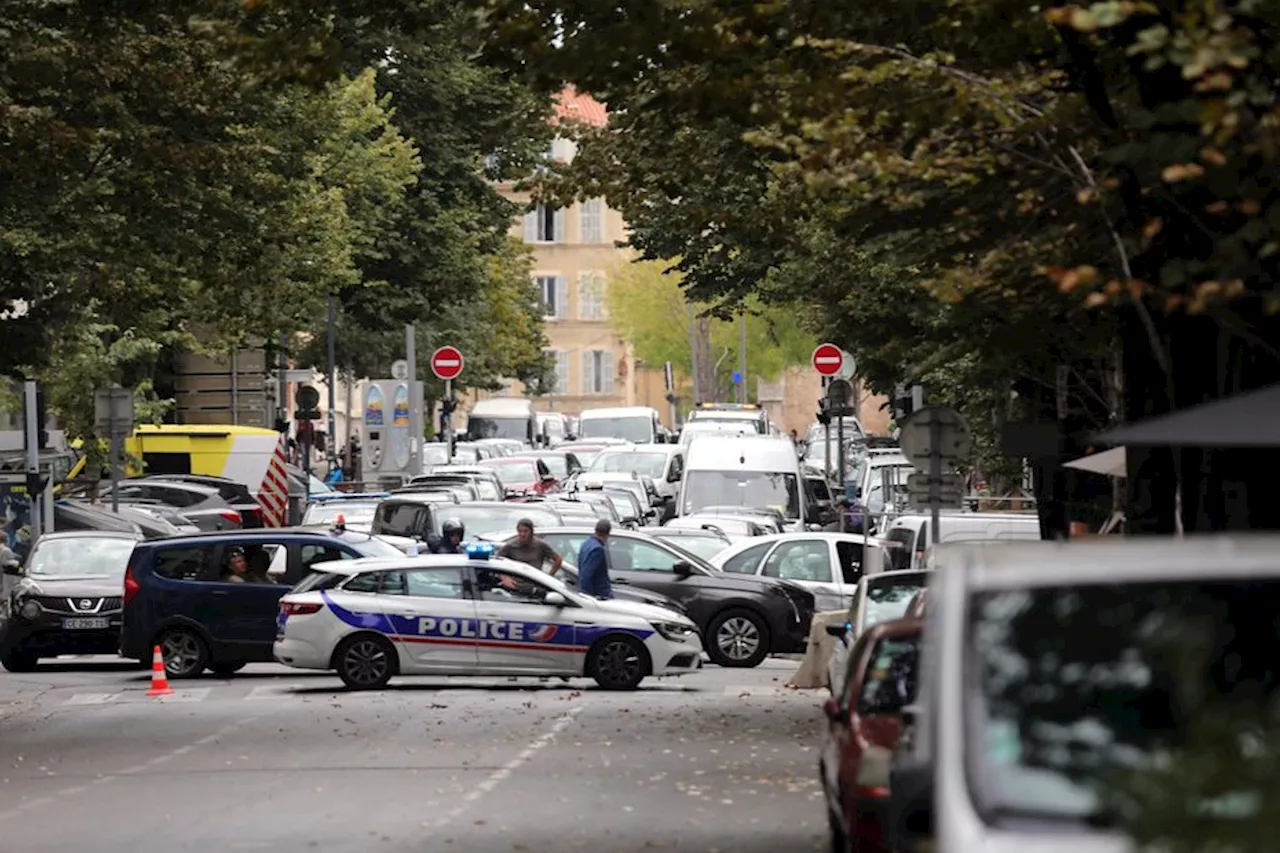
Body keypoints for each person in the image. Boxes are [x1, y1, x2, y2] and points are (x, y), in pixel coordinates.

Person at [496, 518, 564, 577]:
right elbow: (497, 562)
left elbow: (558, 560)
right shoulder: (510, 546)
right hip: (514, 585)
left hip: (535, 583)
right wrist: (504, 577)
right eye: (520, 531)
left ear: (531, 532)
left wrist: (549, 576)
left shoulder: (540, 545)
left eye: (526, 531)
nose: (522, 534)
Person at [576, 519, 613, 599]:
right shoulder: (597, 549)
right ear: (607, 534)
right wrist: (588, 597)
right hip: (599, 594)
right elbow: (586, 575)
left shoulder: (586, 544)